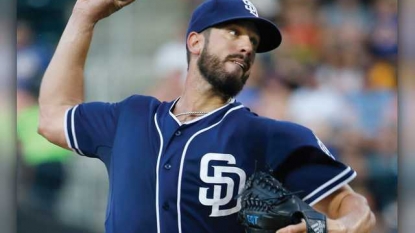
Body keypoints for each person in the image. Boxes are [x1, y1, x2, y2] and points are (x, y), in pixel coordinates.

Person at [38, 0, 376, 232]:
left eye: (253, 42)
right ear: (195, 42)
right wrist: (84, 15)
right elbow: (53, 117)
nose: (247, 46)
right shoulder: (132, 117)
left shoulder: (267, 135)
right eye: (234, 32)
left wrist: (333, 227)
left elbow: (354, 206)